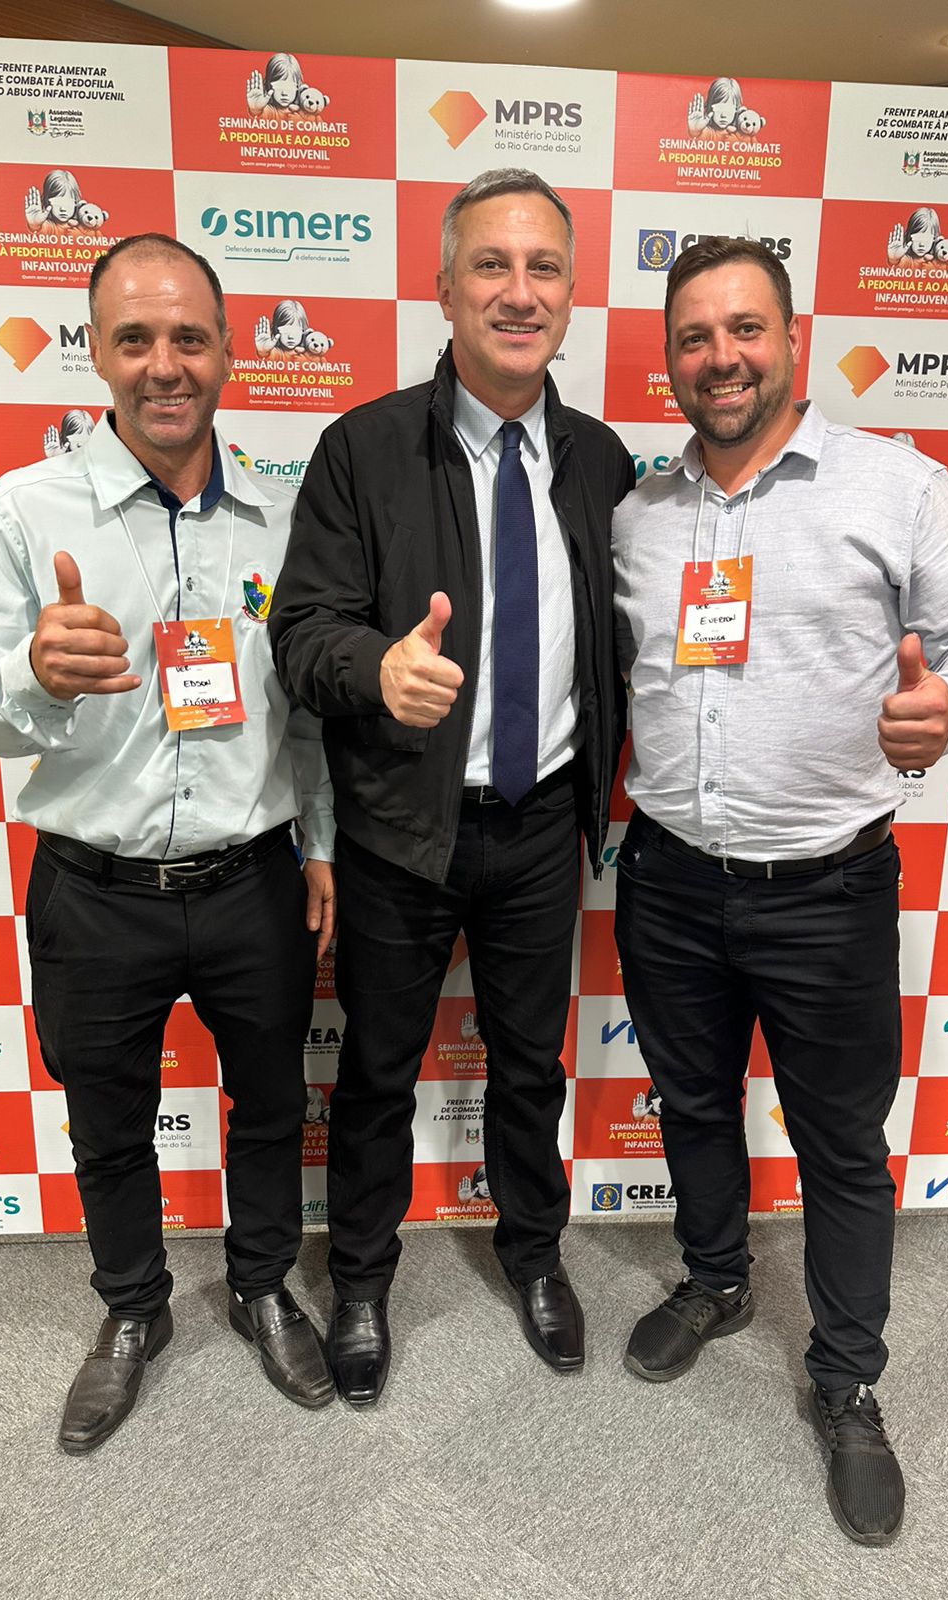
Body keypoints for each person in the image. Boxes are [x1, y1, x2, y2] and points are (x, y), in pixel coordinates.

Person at [610, 237, 948, 1546]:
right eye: (693, 336)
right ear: (669, 358)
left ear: (792, 338)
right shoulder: (639, 513)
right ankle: (718, 1278)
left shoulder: (895, 485)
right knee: (690, 1101)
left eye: (745, 329)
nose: (720, 356)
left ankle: (846, 1382)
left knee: (843, 1147)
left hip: (827, 891)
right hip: (668, 880)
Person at [0, 233, 337, 1453]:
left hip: (252, 879)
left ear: (230, 352)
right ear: (98, 353)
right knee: (107, 1119)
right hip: (94, 890)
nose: (166, 365)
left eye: (190, 338)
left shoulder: (282, 518)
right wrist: (32, 673)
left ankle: (262, 1286)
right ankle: (132, 1309)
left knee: (270, 1103)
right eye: (136, 339)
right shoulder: (26, 509)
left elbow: (303, 711)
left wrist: (319, 842)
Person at [270, 168, 635, 1404]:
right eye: (491, 264)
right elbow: (300, 632)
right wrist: (375, 668)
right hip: (400, 830)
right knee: (377, 1069)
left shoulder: (600, 460)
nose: (518, 292)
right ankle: (361, 1279)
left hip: (541, 826)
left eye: (543, 267)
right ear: (442, 288)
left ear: (571, 295)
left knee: (532, 1064)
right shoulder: (363, 448)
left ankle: (534, 1254)